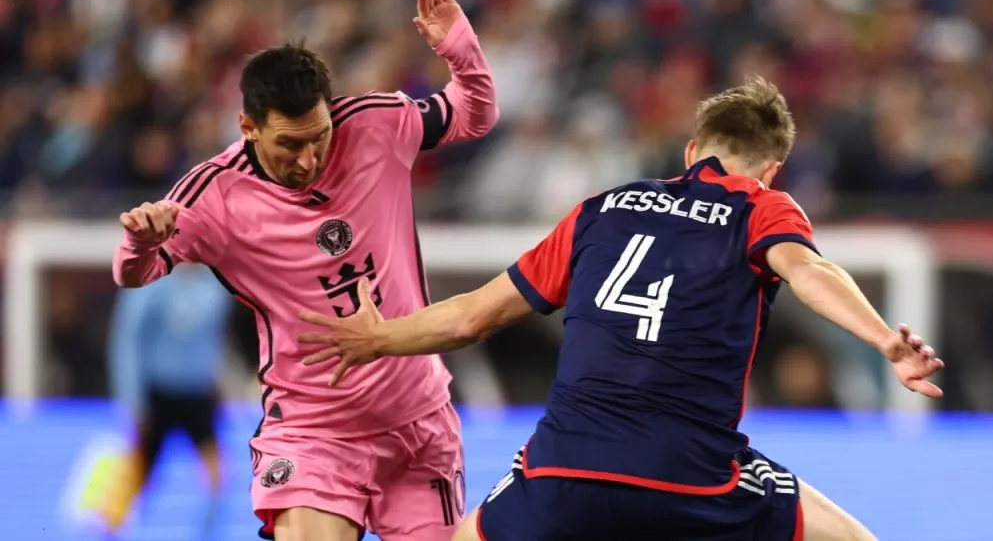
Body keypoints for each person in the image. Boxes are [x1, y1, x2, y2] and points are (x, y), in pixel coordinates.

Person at [295, 76, 944, 541]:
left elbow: (471, 317)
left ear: (691, 152)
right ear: (771, 171)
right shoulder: (759, 207)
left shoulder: (599, 211)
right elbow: (809, 270)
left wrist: (377, 338)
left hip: (562, 473)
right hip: (692, 481)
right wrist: (883, 339)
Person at [111, 0, 498, 540]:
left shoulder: (374, 123)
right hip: (314, 432)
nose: (310, 156)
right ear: (248, 127)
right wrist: (140, 240)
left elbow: (474, 115)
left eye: (317, 135)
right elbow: (134, 273)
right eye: (289, 144)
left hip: (418, 422)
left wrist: (458, 46)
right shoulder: (213, 195)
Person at [104, 263, 232, 536]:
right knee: (136, 477)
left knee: (217, 477)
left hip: (198, 395)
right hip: (157, 396)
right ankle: (109, 532)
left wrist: (218, 384)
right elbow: (127, 342)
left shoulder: (216, 284)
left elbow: (214, 339)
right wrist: (133, 400)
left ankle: (207, 534)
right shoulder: (151, 282)